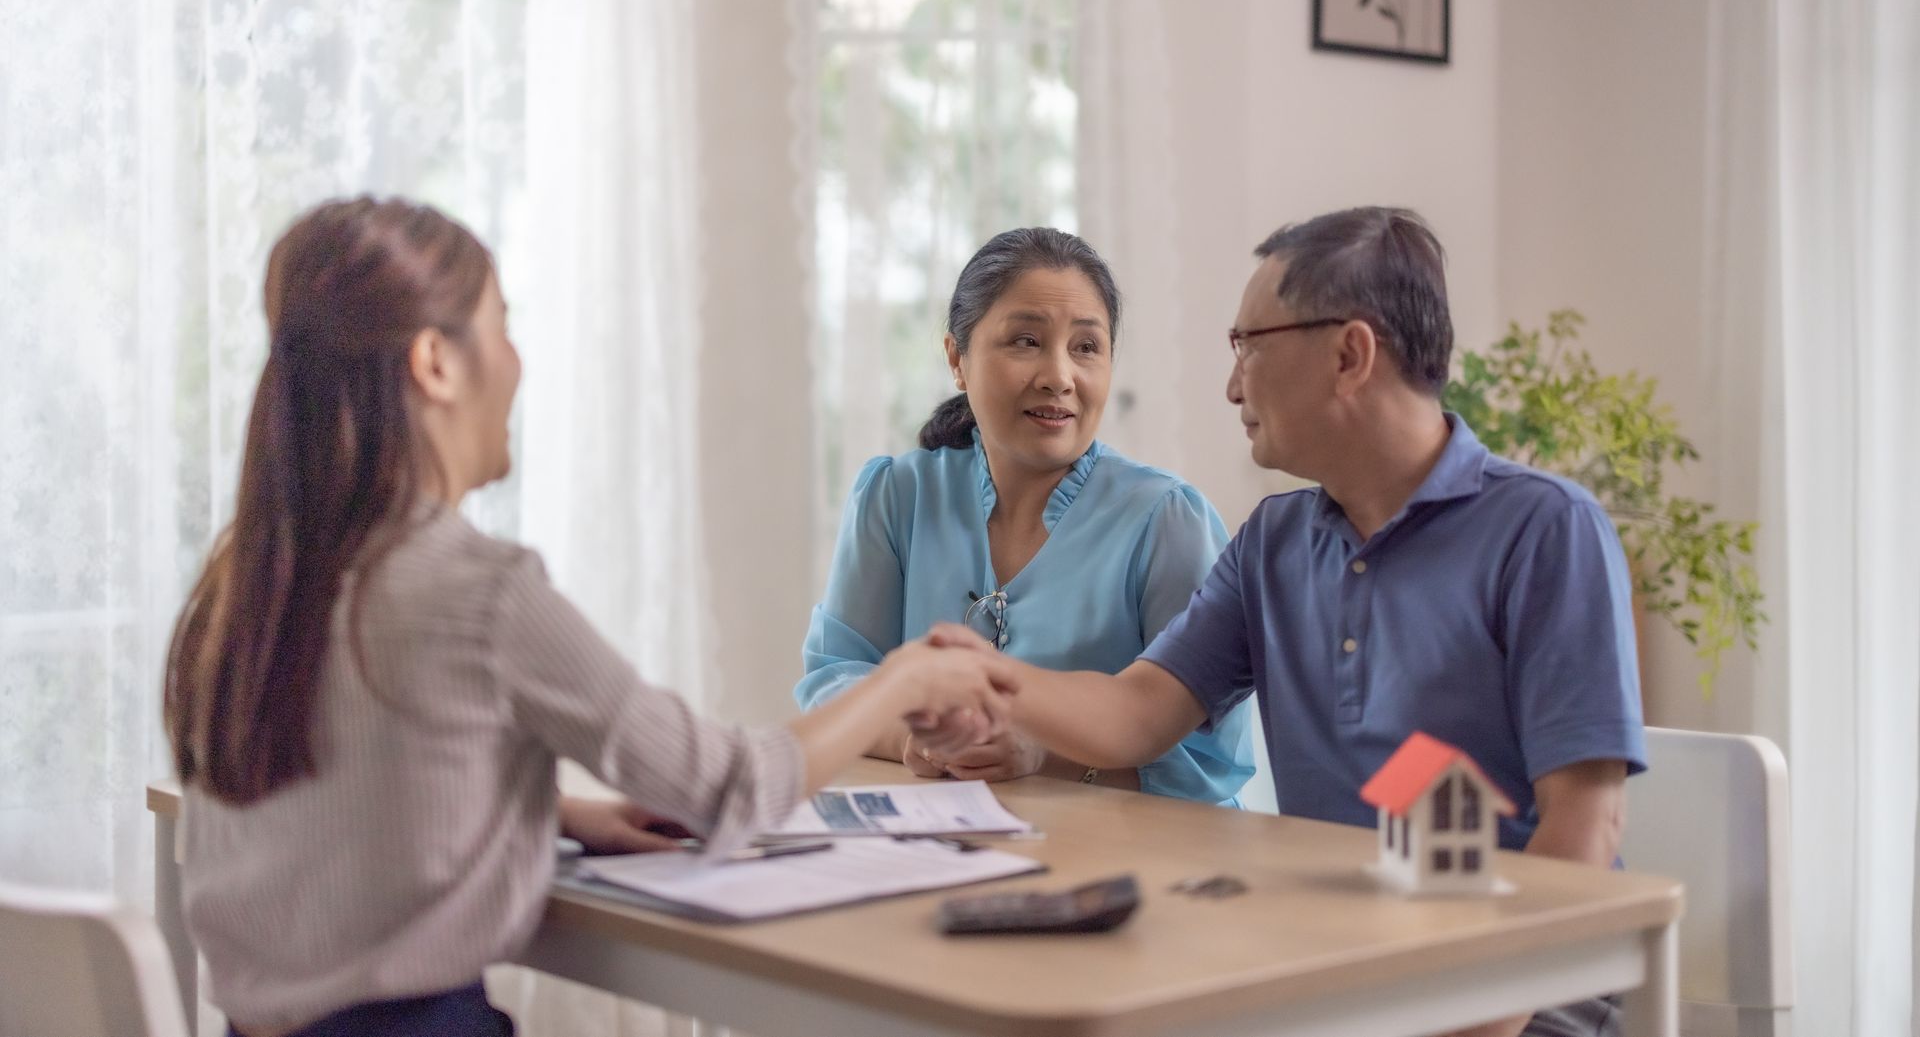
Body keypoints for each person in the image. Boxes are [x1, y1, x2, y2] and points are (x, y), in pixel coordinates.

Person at [164, 198, 1016, 1037]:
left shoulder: (249, 581)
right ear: (435, 362)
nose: (517, 361)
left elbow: (336, 780)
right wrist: (903, 679)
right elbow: (731, 787)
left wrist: (556, 813)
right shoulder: (477, 589)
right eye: (499, 327)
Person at [926, 207, 1643, 1037]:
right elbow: (1133, 716)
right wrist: (979, 672)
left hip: (1520, 1000)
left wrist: (1474, 1018)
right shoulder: (1274, 540)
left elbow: (1585, 827)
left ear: (1350, 354)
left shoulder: (1546, 529)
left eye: (1249, 345)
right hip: (1328, 974)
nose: (1233, 384)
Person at [797, 228, 1254, 803]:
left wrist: (1045, 756)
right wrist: (923, 741)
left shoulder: (1167, 520)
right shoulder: (895, 495)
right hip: (942, 845)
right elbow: (835, 678)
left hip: (1126, 856)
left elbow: (1209, 759)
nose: (1059, 376)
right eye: (1026, 341)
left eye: (1086, 347)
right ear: (956, 360)